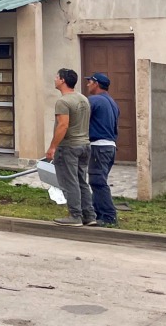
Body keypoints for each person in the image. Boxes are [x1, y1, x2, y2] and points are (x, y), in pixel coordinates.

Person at [45, 68, 94, 226]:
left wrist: (53, 147)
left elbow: (63, 125)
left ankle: (75, 216)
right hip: (84, 145)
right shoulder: (83, 99)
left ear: (63, 80)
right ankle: (89, 215)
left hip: (69, 147)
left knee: (69, 181)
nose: (54, 79)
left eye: (57, 77)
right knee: (81, 180)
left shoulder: (63, 102)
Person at [85, 73, 120, 227]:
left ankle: (108, 216)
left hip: (98, 146)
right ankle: (97, 213)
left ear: (96, 84)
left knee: (97, 181)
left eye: (90, 82)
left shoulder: (94, 101)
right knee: (98, 180)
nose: (87, 85)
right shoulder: (112, 102)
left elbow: (80, 119)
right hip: (110, 147)